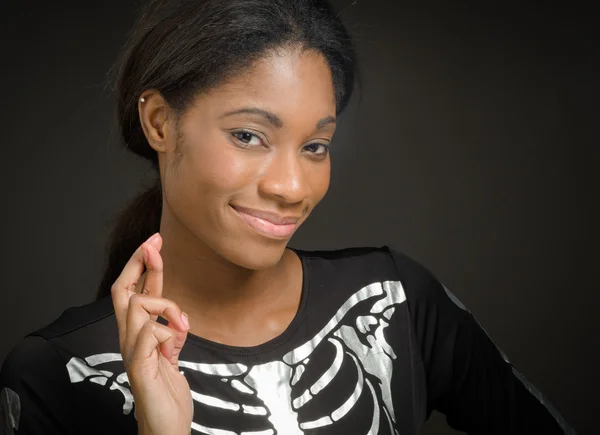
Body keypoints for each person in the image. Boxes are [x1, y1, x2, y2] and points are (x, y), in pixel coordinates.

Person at [0, 0, 577, 434]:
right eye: (249, 135)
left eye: (315, 146)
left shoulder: (395, 301)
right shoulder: (57, 372)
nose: (292, 187)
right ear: (159, 123)